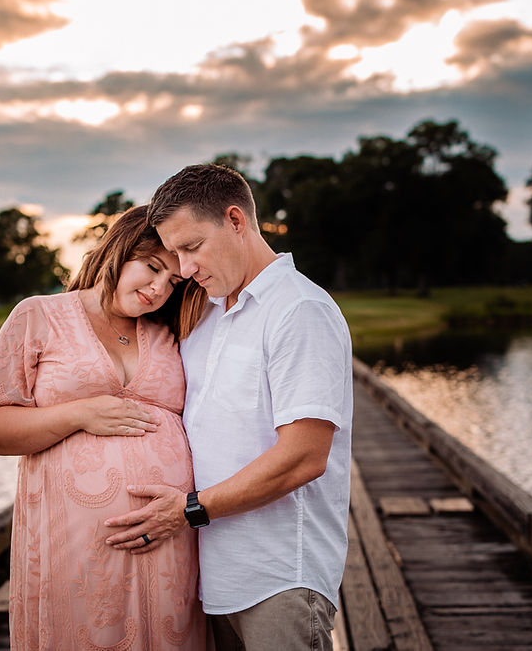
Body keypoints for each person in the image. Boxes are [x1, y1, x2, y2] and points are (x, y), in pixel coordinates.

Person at [104, 164, 353, 650]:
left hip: (280, 577)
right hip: (213, 578)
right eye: (175, 253)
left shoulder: (299, 309)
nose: (187, 268)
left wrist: (190, 510)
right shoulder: (209, 312)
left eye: (192, 247)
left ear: (236, 220)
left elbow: (305, 455)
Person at [0, 205, 209, 651]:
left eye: (173, 281)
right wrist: (79, 414)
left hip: (169, 537)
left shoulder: (168, 331)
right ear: (119, 249)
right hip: (76, 549)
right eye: (152, 267)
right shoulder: (39, 316)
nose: (158, 288)